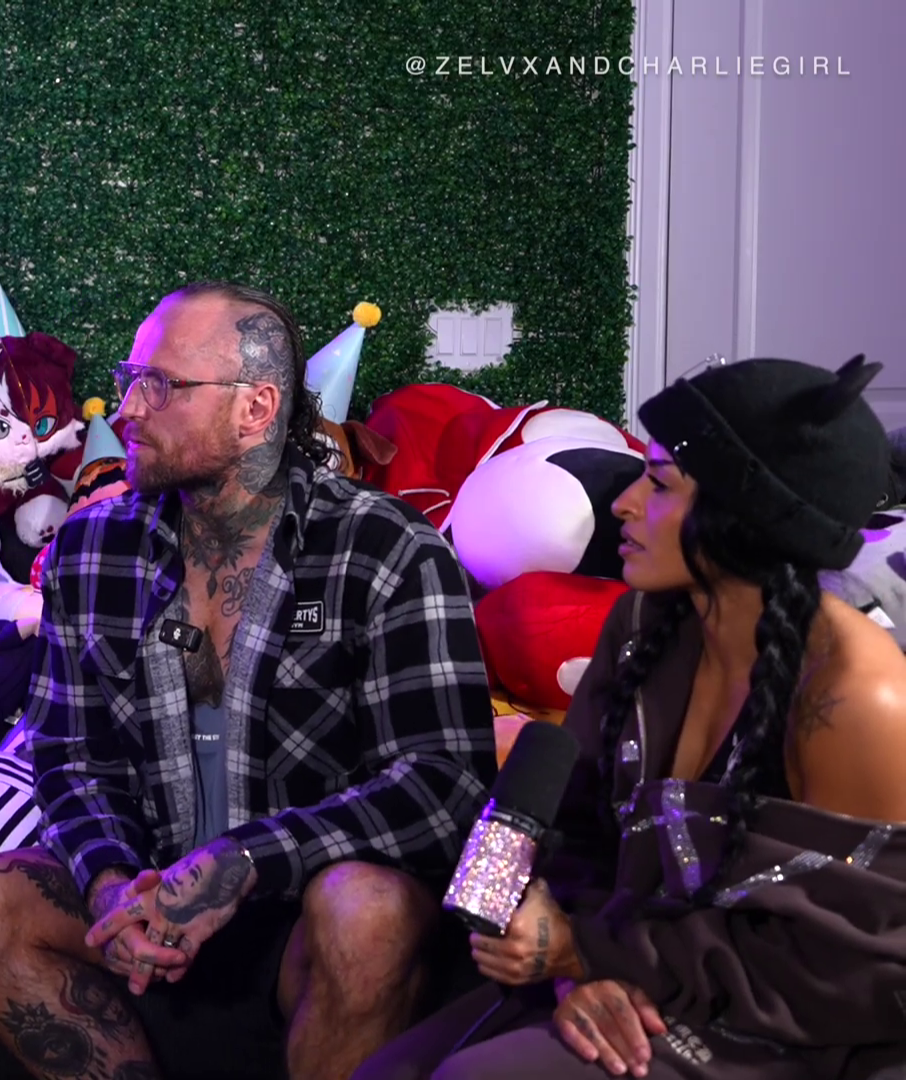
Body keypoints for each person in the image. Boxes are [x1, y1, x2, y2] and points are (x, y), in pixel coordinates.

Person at [0, 282, 499, 1080]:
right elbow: (69, 754)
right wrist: (111, 884)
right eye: (130, 380)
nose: (127, 410)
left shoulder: (387, 549)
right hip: (149, 897)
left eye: (159, 385)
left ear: (256, 408)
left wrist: (239, 863)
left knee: (368, 909)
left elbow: (444, 784)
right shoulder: (92, 547)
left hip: (304, 914)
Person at [355, 356, 906, 1080]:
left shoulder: (859, 698)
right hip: (625, 966)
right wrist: (567, 955)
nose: (623, 502)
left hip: (790, 1027)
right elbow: (569, 828)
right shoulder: (642, 626)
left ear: (747, 516)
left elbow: (851, 972)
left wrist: (585, 953)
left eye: (659, 483)